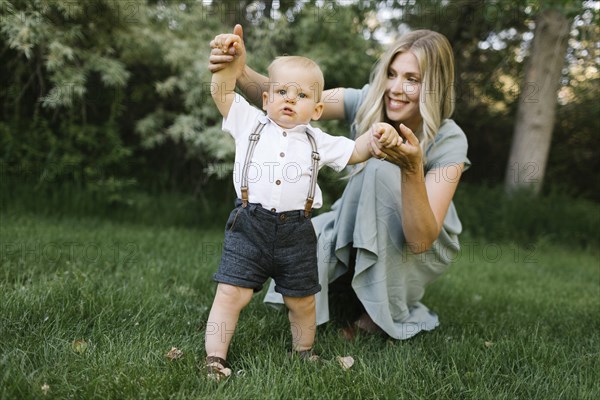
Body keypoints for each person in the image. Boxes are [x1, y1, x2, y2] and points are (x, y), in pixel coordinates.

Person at [209, 25, 470, 342]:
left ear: (433, 86)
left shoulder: (450, 139)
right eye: (391, 73)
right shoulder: (367, 100)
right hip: (357, 217)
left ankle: (377, 315)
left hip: (420, 241)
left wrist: (412, 168)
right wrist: (239, 69)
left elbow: (420, 241)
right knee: (307, 235)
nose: (395, 88)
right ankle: (339, 294)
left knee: (379, 167)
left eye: (412, 79)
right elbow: (293, 95)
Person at [205, 32, 399, 380]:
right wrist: (228, 62)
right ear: (266, 99)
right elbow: (221, 91)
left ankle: (304, 351)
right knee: (231, 292)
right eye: (281, 92)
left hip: (296, 233)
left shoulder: (317, 140)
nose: (290, 99)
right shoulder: (250, 123)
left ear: (317, 109)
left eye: (302, 95)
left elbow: (355, 151)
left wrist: (375, 137)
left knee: (303, 300)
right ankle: (215, 358)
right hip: (249, 226)